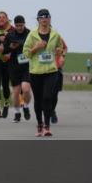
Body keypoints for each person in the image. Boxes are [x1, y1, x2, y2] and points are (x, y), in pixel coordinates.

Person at [22, 9, 67, 137]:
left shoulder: (55, 34)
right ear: (38, 20)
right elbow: (26, 53)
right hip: (36, 72)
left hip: (51, 71)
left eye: (46, 17)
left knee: (48, 97)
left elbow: (61, 47)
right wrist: (36, 47)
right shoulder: (32, 35)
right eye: (41, 17)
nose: (44, 19)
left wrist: (60, 52)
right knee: (38, 99)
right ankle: (39, 125)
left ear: (50, 19)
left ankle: (47, 126)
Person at [3, 15, 32, 122]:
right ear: (14, 25)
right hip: (14, 66)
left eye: (21, 25)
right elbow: (3, 50)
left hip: (27, 66)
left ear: (24, 24)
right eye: (17, 25)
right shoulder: (10, 35)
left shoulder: (30, 34)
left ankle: (26, 106)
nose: (20, 27)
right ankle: (17, 113)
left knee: (26, 89)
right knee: (15, 92)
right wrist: (10, 47)